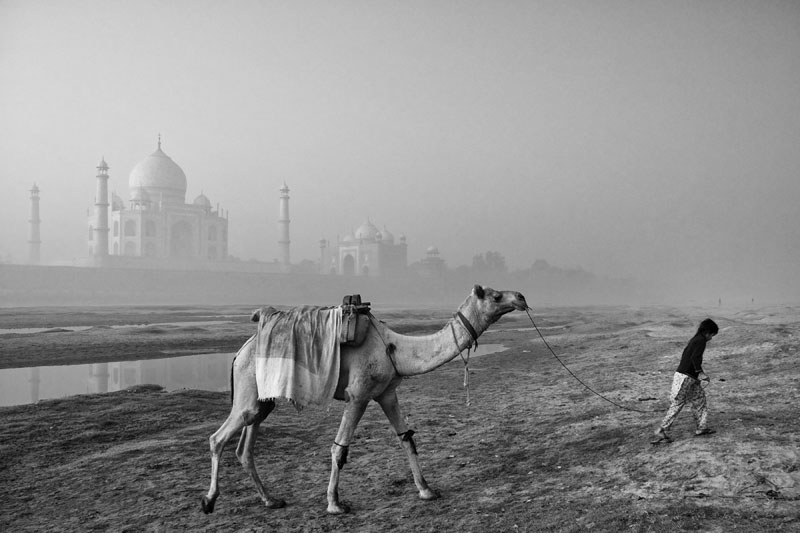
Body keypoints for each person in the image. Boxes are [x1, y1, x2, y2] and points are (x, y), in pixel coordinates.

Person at [652, 318, 719, 443]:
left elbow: (688, 358)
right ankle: (662, 429)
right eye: (712, 335)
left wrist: (697, 376)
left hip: (688, 377)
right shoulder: (701, 341)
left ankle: (702, 427)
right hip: (686, 377)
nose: (711, 338)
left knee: (700, 399)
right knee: (678, 403)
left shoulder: (695, 339)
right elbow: (695, 358)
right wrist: (700, 373)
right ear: (708, 332)